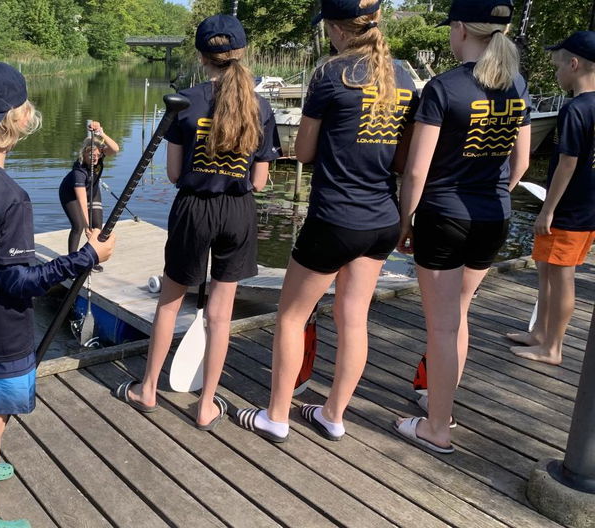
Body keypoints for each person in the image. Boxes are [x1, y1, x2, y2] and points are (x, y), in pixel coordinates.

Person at [0, 62, 115, 528]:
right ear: (19, 119)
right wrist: (85, 257)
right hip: (0, 336)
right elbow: (18, 282)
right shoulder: (10, 196)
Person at [235, 0, 419, 443]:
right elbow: (402, 159)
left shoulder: (330, 74)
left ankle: (277, 416)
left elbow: (303, 152)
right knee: (353, 319)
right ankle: (333, 415)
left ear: (337, 29)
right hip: (382, 218)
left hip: (335, 217)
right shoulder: (403, 76)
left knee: (290, 317)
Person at [113, 14, 279, 429]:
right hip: (238, 210)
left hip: (193, 208)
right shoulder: (260, 106)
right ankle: (206, 406)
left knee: (169, 304)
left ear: (201, 56)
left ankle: (148, 389)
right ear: (242, 53)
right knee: (219, 316)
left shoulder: (183, 101)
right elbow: (259, 181)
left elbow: (173, 174)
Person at [395, 0, 531, 454]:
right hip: (494, 216)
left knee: (442, 326)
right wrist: (492, 192)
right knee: (459, 314)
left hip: (445, 216)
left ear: (461, 29)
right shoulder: (517, 84)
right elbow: (521, 163)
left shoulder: (444, 88)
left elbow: (416, 171)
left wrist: (405, 221)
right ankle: (440, 403)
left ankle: (436, 428)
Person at [506, 32, 595, 365]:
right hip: (587, 207)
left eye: (557, 66)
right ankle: (540, 333)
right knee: (546, 268)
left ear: (574, 65)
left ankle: (553, 347)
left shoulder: (575, 109)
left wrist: (548, 210)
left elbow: (568, 163)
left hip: (568, 210)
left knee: (561, 275)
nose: (556, 73)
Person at [58, 121, 120, 270]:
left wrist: (101, 133)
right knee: (79, 226)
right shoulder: (78, 173)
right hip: (71, 195)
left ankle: (91, 258)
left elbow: (115, 149)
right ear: (84, 153)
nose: (95, 158)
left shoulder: (99, 156)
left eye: (97, 155)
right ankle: (72, 262)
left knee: (97, 226)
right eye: (91, 154)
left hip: (92, 191)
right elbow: (82, 201)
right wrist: (86, 227)